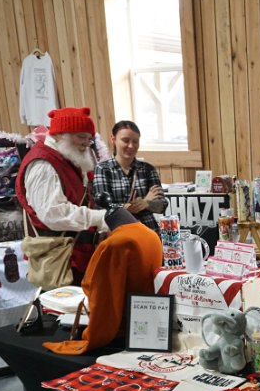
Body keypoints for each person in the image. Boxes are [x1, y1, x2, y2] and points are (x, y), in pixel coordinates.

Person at [44, 207, 163, 356]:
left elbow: (102, 292)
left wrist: (94, 334)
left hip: (120, 328)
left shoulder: (115, 244)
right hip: (149, 321)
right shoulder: (150, 234)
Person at [16, 106, 107, 284]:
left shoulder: (68, 158)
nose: (86, 143)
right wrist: (99, 218)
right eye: (81, 136)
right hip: (60, 262)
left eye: (89, 138)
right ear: (59, 135)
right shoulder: (43, 164)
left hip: (76, 257)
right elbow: (53, 214)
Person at [93, 120, 164, 235]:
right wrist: (136, 204)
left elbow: (162, 205)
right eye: (125, 140)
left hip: (150, 232)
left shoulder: (148, 169)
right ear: (113, 139)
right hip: (119, 233)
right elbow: (102, 208)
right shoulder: (103, 169)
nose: (131, 146)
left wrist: (147, 203)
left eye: (135, 141)